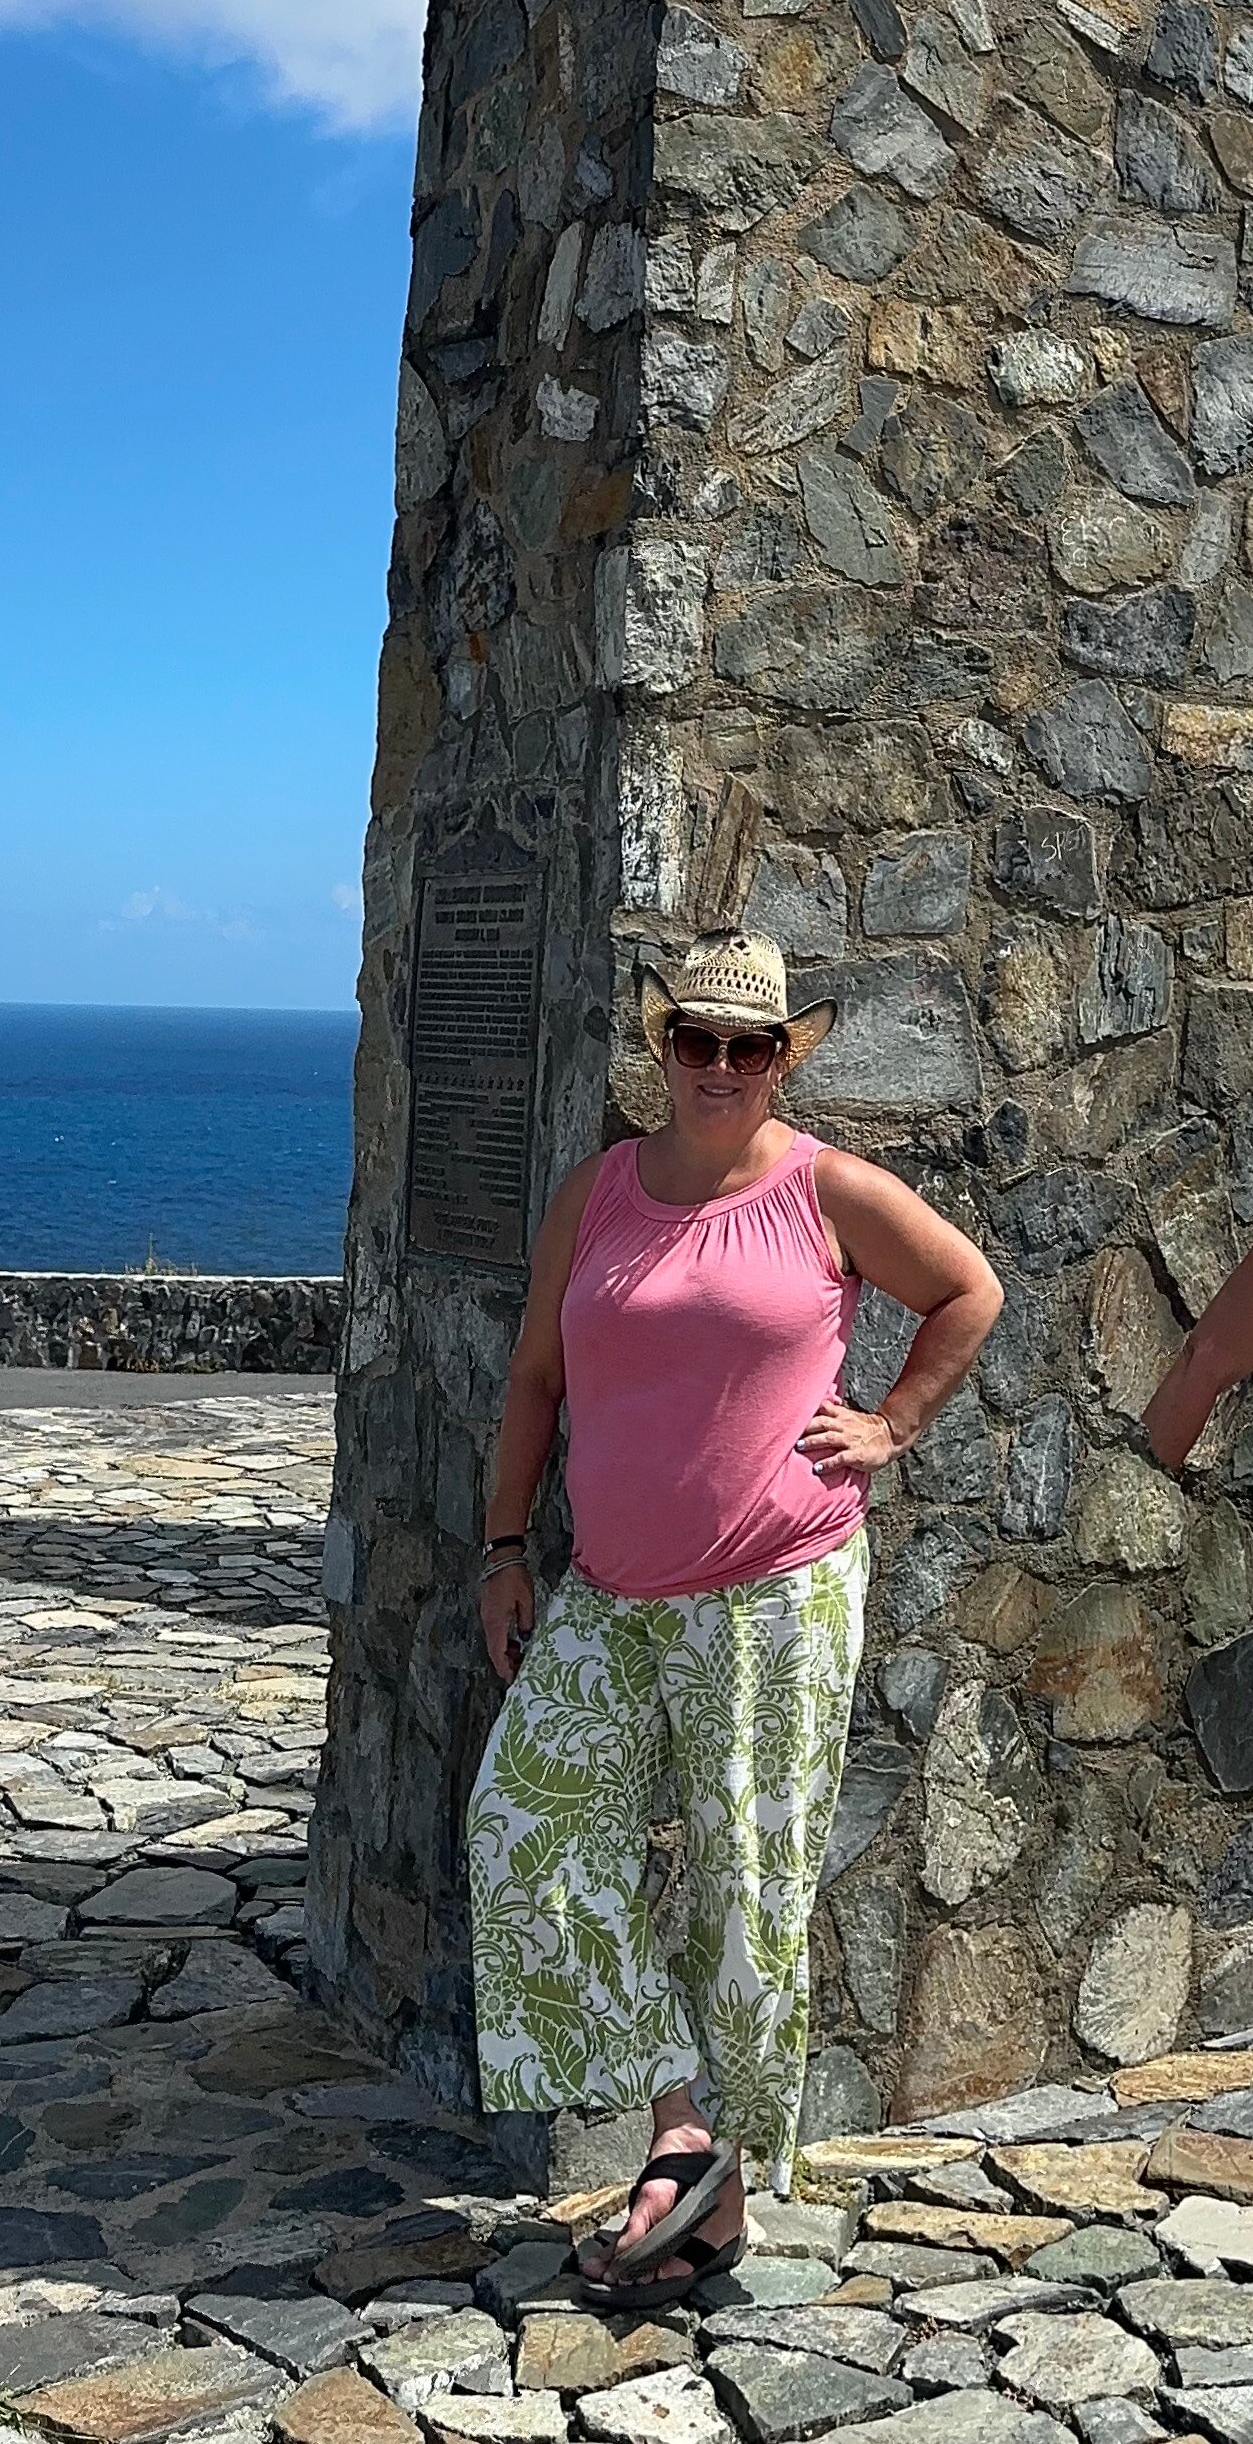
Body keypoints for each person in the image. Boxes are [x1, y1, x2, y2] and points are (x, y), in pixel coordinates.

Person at [466, 936, 1002, 2304]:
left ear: (781, 1061)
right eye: (694, 1040)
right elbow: (535, 1379)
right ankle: (681, 2123)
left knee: (747, 1885)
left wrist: (893, 1422)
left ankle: (718, 2195)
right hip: (612, 1596)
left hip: (775, 1590)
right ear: (664, 1048)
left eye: (747, 1047)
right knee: (523, 1833)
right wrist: (504, 1548)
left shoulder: (827, 1190)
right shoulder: (597, 1192)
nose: (718, 1065)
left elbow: (969, 1291)